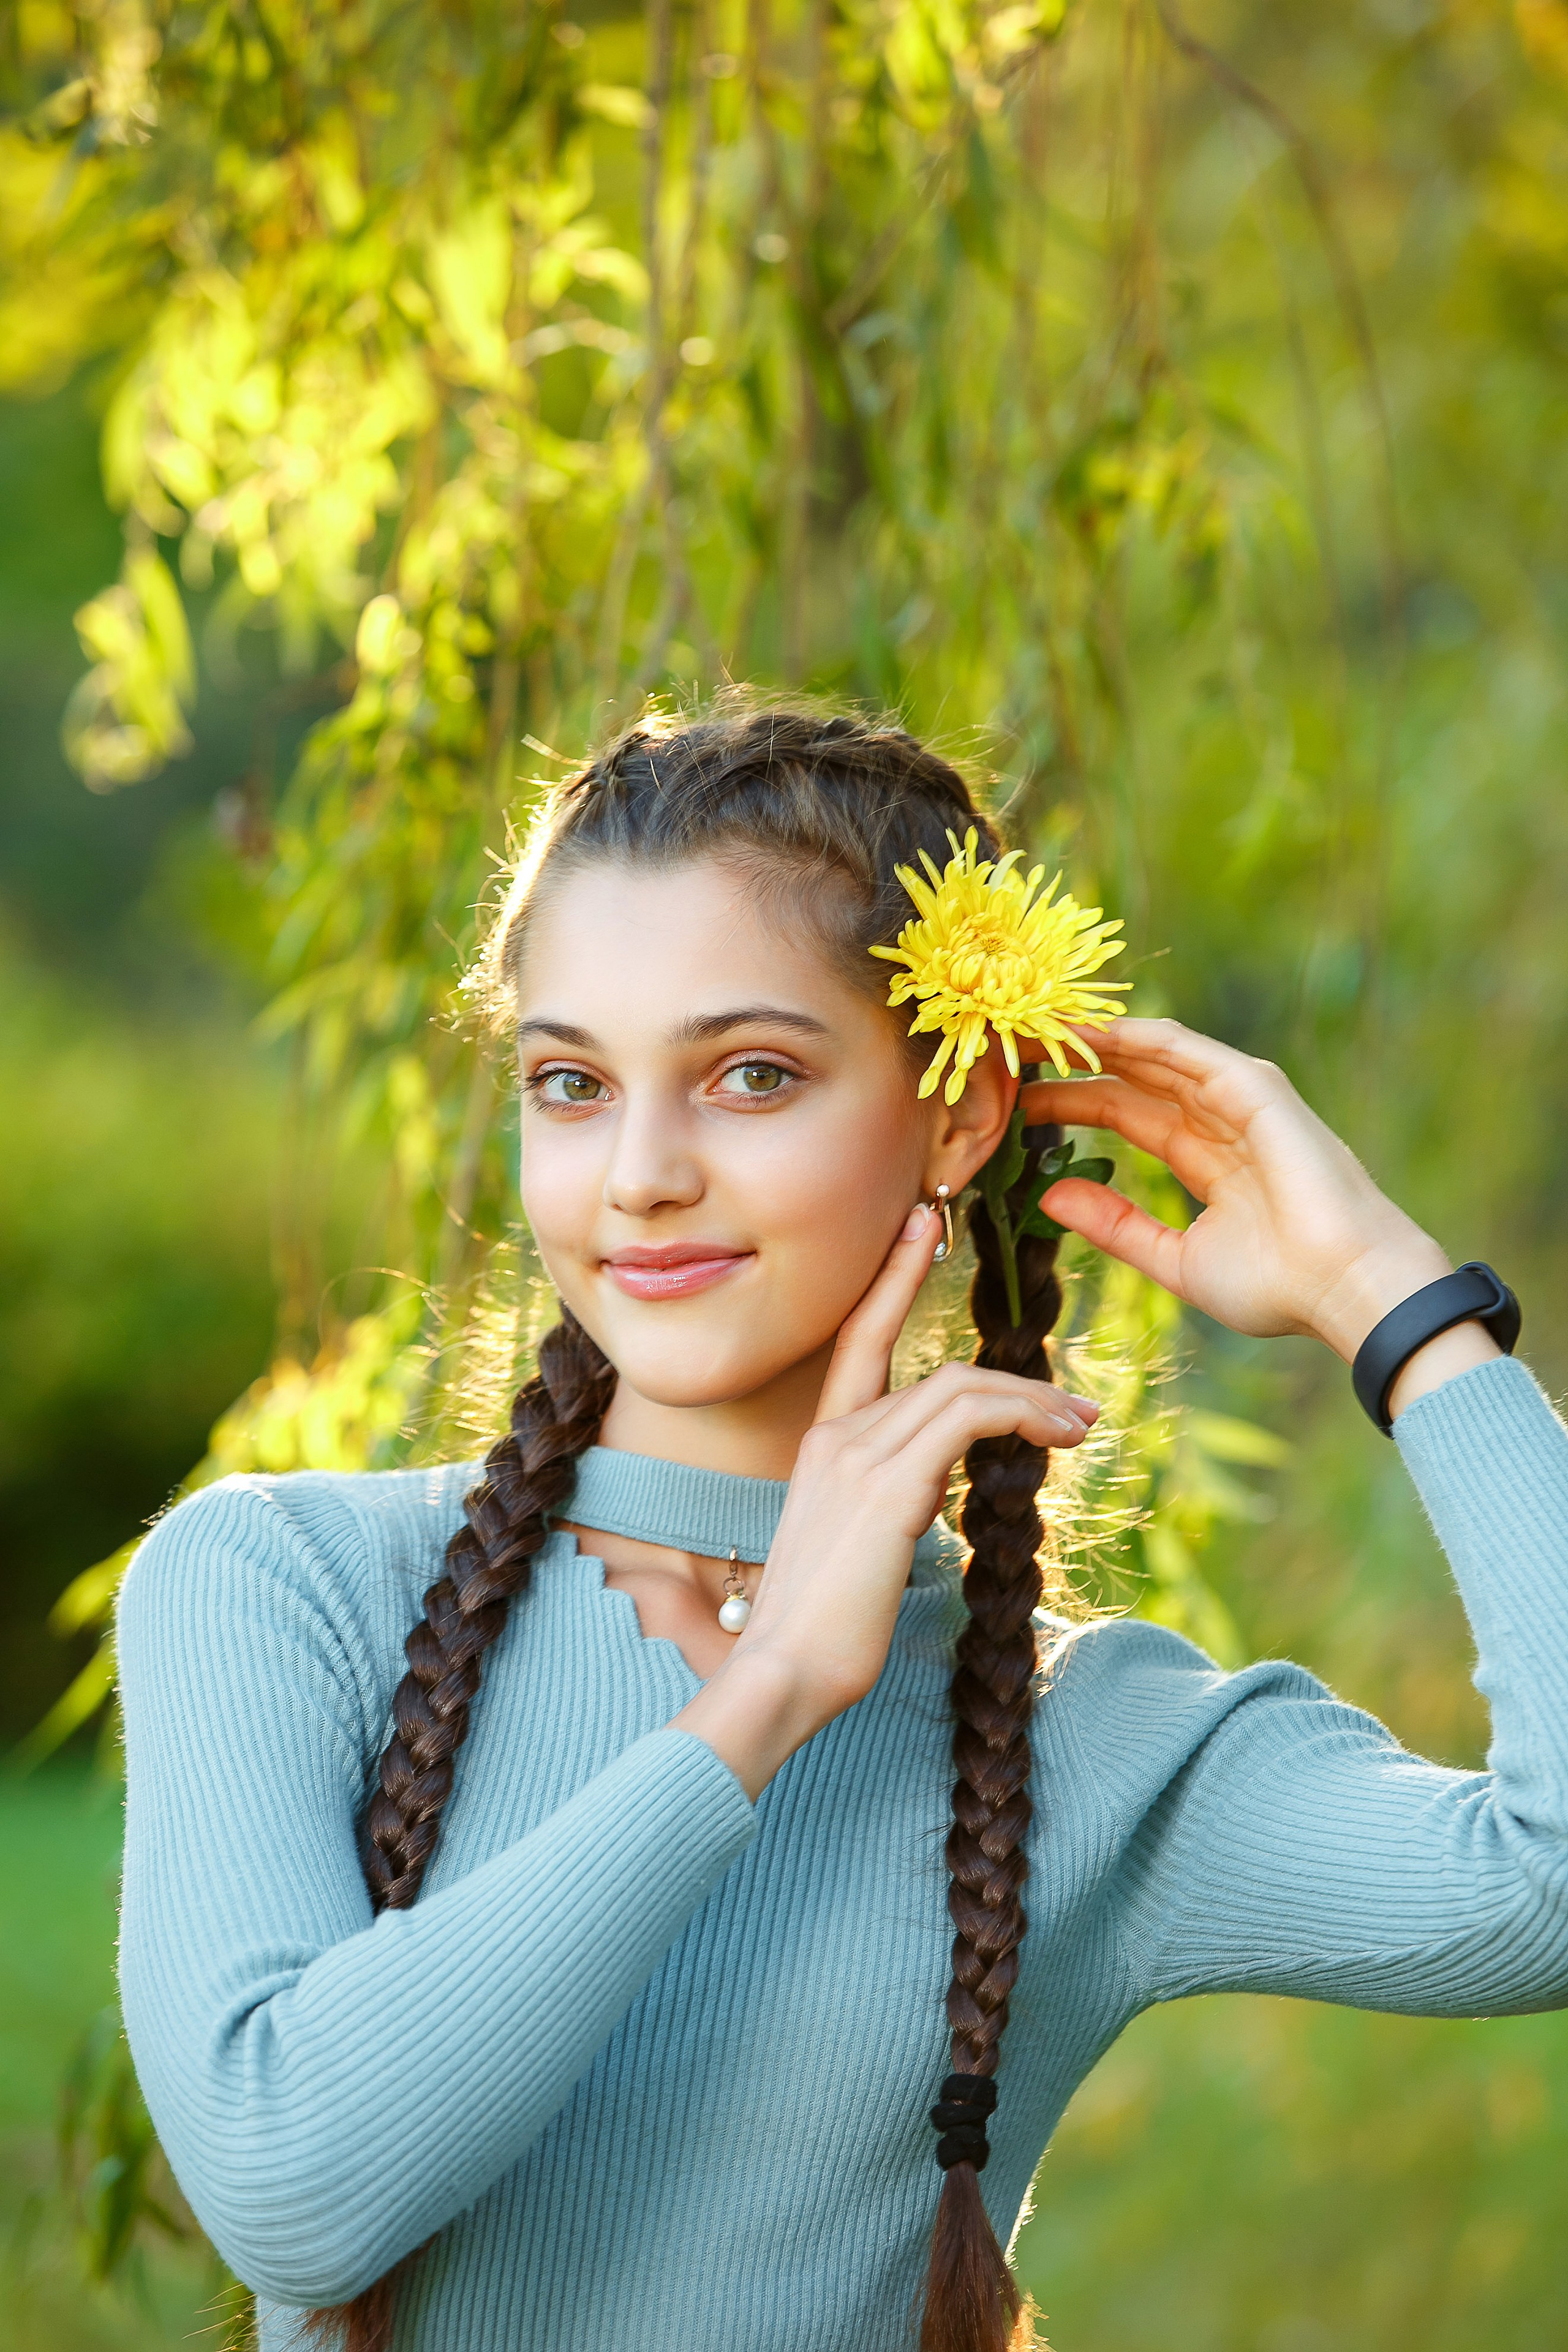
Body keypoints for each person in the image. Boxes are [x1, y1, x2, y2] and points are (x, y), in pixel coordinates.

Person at [116, 704, 1568, 2352]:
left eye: (751, 1075)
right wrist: (767, 1698)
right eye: (572, 1083)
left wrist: (1398, 1304)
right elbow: (289, 2186)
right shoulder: (278, 1584)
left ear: (957, 1118)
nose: (642, 1174)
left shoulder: (1079, 1743)